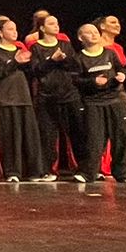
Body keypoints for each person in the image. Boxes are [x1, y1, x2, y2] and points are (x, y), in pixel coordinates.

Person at [0, 16, 46, 182]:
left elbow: (32, 72)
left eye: (15, 29)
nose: (15, 32)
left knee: (30, 135)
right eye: (10, 29)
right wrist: (14, 61)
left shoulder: (20, 49)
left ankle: (35, 171)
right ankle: (12, 172)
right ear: (0, 32)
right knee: (10, 137)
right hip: (7, 98)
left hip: (24, 97)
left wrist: (28, 62)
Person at [74, 20, 126, 182]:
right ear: (81, 38)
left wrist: (121, 76)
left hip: (115, 100)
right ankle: (88, 172)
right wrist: (93, 82)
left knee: (123, 136)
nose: (94, 34)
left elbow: (121, 69)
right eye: (89, 32)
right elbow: (75, 80)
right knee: (93, 138)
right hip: (93, 103)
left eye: (95, 32)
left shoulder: (109, 54)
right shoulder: (79, 58)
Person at [27, 11, 87, 182]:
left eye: (57, 23)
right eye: (51, 23)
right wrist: (52, 60)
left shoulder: (65, 44)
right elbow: (35, 70)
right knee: (47, 135)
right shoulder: (36, 47)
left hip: (69, 95)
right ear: (42, 28)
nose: (56, 26)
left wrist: (64, 58)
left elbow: (76, 65)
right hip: (47, 97)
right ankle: (47, 170)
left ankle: (84, 169)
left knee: (77, 132)